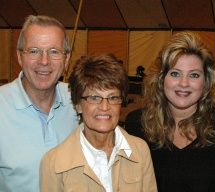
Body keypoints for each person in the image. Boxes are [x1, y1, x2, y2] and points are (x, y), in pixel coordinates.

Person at [125, 31, 215, 191]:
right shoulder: (137, 125)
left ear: (206, 81)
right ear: (161, 78)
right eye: (175, 73)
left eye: (194, 75)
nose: (184, 83)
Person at [40, 55, 157, 192]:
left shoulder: (140, 150)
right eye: (94, 97)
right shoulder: (54, 163)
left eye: (113, 97)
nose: (105, 106)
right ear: (78, 104)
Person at [0, 15, 78, 192]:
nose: (44, 61)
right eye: (34, 51)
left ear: (66, 60)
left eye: (54, 51)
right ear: (20, 56)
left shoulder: (80, 101)